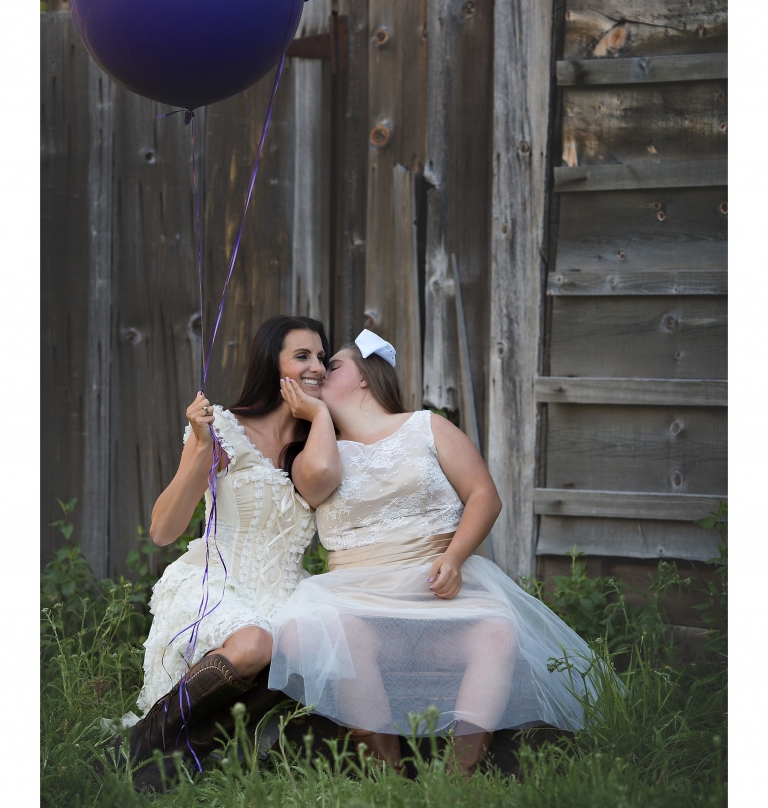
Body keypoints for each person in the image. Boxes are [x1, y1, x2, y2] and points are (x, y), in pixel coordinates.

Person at [268, 329, 599, 776]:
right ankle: (390, 774)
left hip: (434, 597)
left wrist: (456, 557)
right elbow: (314, 482)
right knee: (306, 633)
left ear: (366, 377)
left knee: (498, 631)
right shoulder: (315, 453)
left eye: (336, 364)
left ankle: (457, 777)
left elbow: (484, 494)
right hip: (358, 601)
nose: (322, 370)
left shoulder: (426, 426)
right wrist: (317, 418)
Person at [125, 314, 340, 773]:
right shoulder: (223, 428)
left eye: (322, 357)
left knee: (310, 649)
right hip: (219, 586)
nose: (317, 367)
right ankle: (135, 744)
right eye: (302, 356)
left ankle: (179, 760)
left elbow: (323, 485)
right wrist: (200, 450)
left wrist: (318, 417)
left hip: (286, 594)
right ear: (271, 363)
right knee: (255, 645)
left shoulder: (320, 444)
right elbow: (163, 530)